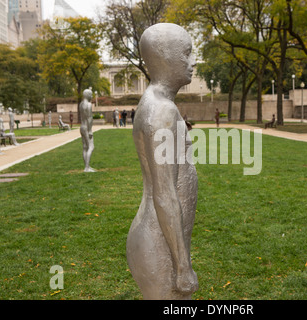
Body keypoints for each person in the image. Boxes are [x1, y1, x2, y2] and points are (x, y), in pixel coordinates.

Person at [126, 23, 198, 300]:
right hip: (159, 244)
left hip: (161, 237)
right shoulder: (162, 111)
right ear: (165, 57)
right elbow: (165, 192)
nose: (193, 62)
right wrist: (182, 266)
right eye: (187, 53)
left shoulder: (155, 103)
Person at [79, 89, 96, 172]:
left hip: (81, 127)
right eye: (91, 94)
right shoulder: (89, 105)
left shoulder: (81, 104)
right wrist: (90, 130)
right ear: (87, 95)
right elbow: (89, 118)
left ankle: (87, 166)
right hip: (86, 128)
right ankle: (87, 167)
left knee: (85, 147)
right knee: (91, 147)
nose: (92, 96)